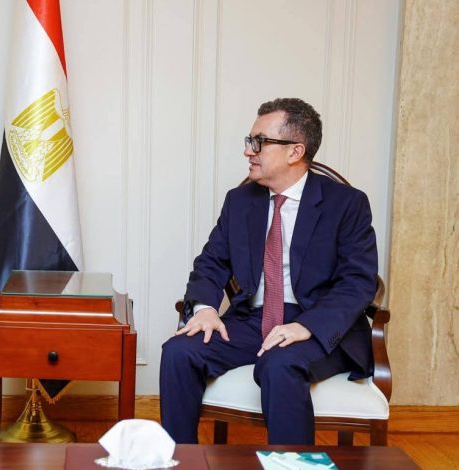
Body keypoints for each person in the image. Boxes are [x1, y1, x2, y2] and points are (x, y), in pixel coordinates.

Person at [159, 98, 378, 445]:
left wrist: (306, 326)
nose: (249, 151)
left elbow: (358, 282)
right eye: (250, 141)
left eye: (259, 142)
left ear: (295, 151)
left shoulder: (347, 204)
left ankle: (293, 466)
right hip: (252, 321)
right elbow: (211, 262)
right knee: (178, 351)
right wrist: (204, 309)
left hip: (317, 326)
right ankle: (179, 461)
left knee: (280, 364)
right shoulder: (240, 201)